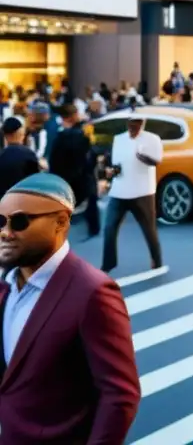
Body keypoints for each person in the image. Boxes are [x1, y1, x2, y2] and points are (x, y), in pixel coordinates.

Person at [0, 173, 140, 442]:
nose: (6, 232)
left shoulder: (93, 292)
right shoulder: (6, 286)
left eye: (19, 221)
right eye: (0, 222)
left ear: (61, 222)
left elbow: (120, 395)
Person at [101, 112, 164, 274]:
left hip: (142, 191)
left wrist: (142, 157)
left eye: (136, 125)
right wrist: (111, 172)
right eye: (130, 126)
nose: (133, 129)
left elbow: (156, 161)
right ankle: (108, 264)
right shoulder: (119, 139)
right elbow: (117, 166)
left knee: (149, 229)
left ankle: (157, 261)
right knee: (109, 228)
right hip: (119, 191)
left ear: (143, 123)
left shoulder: (152, 139)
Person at [48, 103, 100, 238]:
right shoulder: (79, 136)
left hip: (63, 180)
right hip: (80, 179)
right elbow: (87, 159)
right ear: (72, 116)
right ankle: (93, 228)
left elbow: (53, 159)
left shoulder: (56, 134)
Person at [0, 117, 40, 197]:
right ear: (20, 133)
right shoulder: (29, 155)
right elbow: (35, 181)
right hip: (22, 200)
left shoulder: (2, 155)